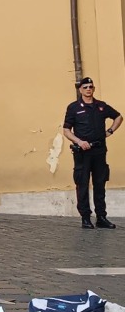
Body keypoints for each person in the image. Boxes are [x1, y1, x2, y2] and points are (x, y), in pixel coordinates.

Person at [63, 76, 122, 229]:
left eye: (91, 87)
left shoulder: (101, 106)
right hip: (83, 153)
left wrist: (110, 131)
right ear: (80, 90)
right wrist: (79, 142)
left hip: (99, 151)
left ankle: (101, 217)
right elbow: (66, 130)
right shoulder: (74, 107)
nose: (88, 89)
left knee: (100, 183)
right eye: (85, 87)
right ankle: (85, 218)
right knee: (82, 184)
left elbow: (118, 117)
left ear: (93, 89)